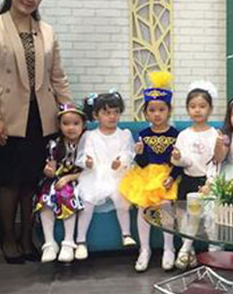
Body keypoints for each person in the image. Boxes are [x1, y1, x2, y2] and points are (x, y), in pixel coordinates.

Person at [0, 0, 72, 263]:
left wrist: (68, 111)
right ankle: (8, 239)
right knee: (9, 182)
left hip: (41, 117)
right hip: (7, 116)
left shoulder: (47, 31)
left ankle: (28, 239)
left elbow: (58, 76)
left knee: (32, 182)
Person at [119, 71, 181, 272]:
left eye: (161, 109)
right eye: (152, 110)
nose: (157, 114)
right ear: (145, 113)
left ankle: (169, 248)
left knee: (165, 206)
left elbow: (177, 162)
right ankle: (144, 249)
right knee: (143, 207)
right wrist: (139, 154)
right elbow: (143, 163)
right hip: (146, 176)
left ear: (169, 111)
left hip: (168, 176)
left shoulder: (175, 134)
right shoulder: (143, 134)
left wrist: (171, 177)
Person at [74, 91, 135, 261]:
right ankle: (80, 241)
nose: (112, 116)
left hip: (117, 174)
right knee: (88, 201)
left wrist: (120, 162)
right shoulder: (90, 136)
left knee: (121, 197)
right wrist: (88, 162)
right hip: (95, 174)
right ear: (96, 115)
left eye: (116, 112)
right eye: (107, 113)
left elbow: (128, 153)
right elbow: (84, 156)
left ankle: (126, 234)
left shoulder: (124, 134)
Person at [171, 81, 221, 269]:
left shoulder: (214, 134)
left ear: (210, 109)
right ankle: (188, 251)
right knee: (185, 219)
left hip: (207, 182)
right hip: (187, 180)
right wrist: (178, 157)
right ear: (187, 109)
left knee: (210, 219)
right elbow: (184, 162)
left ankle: (214, 252)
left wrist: (210, 182)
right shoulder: (183, 135)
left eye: (202, 106)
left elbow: (216, 161)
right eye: (193, 106)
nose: (197, 110)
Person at [34, 103, 86, 263]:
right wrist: (48, 171)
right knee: (46, 196)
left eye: (76, 123)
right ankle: (49, 243)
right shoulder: (55, 144)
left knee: (66, 193)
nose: (71, 128)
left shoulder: (87, 143)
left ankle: (68, 242)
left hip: (79, 178)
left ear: (83, 125)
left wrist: (68, 178)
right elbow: (51, 168)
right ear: (59, 125)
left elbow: (89, 171)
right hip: (57, 179)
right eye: (66, 123)